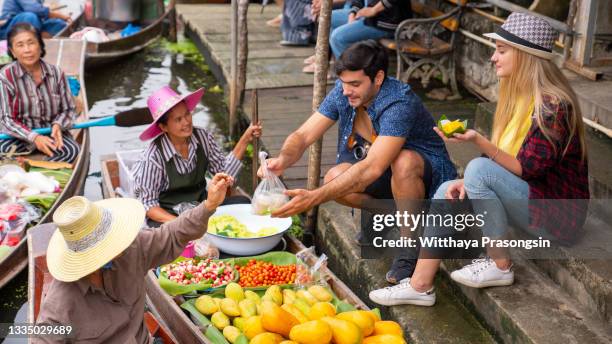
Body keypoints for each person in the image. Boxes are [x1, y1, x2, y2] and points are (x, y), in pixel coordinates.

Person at [368, 13, 589, 307]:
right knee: (448, 188)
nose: (493, 58)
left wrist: (476, 141)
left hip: (558, 216)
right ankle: (420, 285)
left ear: (524, 56)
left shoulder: (553, 105)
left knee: (478, 169)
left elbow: (528, 168)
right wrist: (466, 181)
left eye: (501, 50)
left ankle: (499, 265)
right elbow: (505, 162)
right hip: (530, 199)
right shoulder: (518, 96)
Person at [262, 40, 456, 282]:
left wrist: (314, 197)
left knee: (404, 161)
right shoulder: (345, 91)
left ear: (378, 78)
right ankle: (397, 213)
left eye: (354, 84)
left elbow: (372, 168)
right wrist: (282, 160)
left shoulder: (399, 102)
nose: (346, 91)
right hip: (385, 175)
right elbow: (303, 135)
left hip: (428, 179)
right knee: (334, 178)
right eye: (343, 83)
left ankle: (409, 248)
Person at [33, 173, 233, 343]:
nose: (121, 242)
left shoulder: (132, 249)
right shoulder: (60, 304)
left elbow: (171, 235)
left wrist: (208, 205)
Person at [133, 86, 262, 226]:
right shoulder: (153, 156)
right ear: (164, 127)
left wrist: (246, 137)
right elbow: (148, 205)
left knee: (242, 202)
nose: (186, 122)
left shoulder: (203, 137)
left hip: (201, 209)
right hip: (170, 216)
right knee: (163, 236)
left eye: (187, 114)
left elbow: (225, 172)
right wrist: (182, 224)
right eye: (178, 119)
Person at [0, 23, 79, 163]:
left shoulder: (56, 73)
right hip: (20, 135)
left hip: (51, 133)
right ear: (12, 51)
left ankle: (40, 168)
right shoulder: (5, 77)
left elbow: (69, 110)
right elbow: (6, 120)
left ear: (40, 46)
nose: (27, 50)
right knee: (2, 149)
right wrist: (34, 137)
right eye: (20, 45)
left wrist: (58, 124)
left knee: (72, 150)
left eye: (31, 43)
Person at [302, 0, 411, 73]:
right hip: (368, 16)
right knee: (327, 17)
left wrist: (373, 10)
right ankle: (325, 62)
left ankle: (351, 77)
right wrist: (352, 13)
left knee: (338, 37)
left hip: (386, 22)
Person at [0, 0, 71, 40]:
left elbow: (41, 12)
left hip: (33, 26)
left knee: (60, 24)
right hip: (9, 26)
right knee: (30, 17)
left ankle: (36, 39)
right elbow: (36, 10)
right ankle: (28, 41)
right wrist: (62, 16)